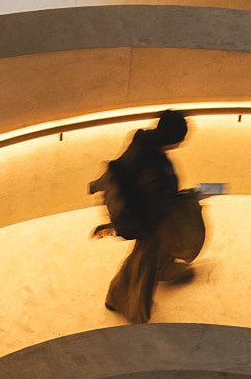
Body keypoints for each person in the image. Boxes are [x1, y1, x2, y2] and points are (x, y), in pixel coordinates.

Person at [90, 110, 212, 324]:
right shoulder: (154, 162)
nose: (181, 143)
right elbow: (153, 200)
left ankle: (162, 271)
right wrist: (185, 199)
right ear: (173, 138)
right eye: (180, 138)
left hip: (144, 215)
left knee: (154, 254)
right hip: (147, 221)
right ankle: (129, 305)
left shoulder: (144, 144)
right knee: (144, 262)